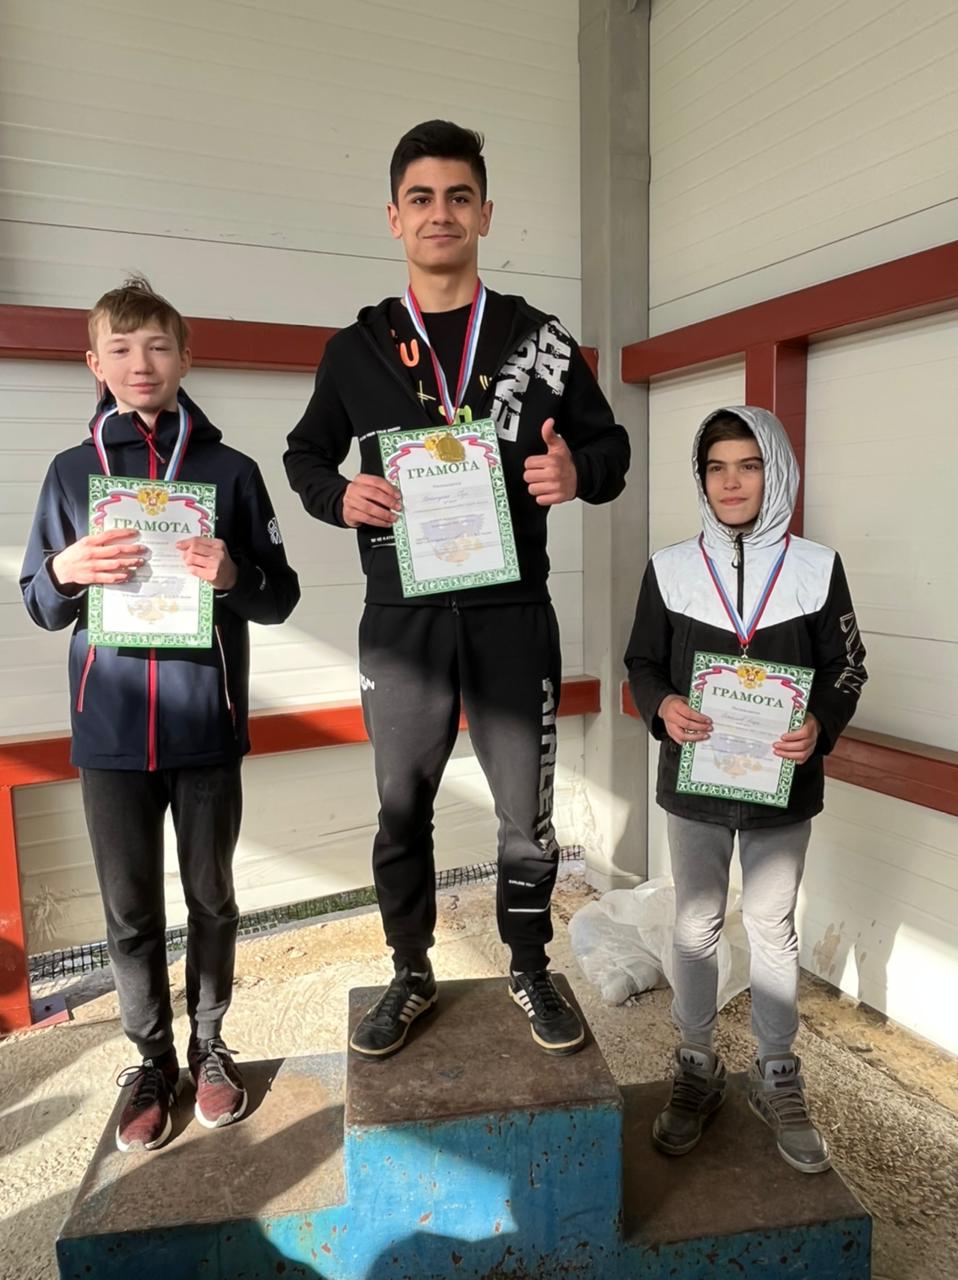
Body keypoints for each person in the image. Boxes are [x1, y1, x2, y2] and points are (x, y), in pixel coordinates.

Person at [285, 120, 630, 1060]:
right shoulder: (356, 348)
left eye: (459, 197)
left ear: (485, 214)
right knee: (402, 808)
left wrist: (577, 473)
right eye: (422, 198)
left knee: (526, 814)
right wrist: (339, 495)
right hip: (402, 623)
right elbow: (304, 454)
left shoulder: (541, 341)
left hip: (513, 614)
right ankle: (410, 969)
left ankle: (529, 964)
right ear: (394, 217)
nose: (441, 213)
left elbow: (610, 448)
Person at [21, 277, 300, 1151]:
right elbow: (38, 601)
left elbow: (281, 597)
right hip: (108, 733)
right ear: (94, 363)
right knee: (129, 910)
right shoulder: (70, 474)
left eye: (157, 346)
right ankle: (151, 1061)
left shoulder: (231, 471)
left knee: (212, 897)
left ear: (185, 358)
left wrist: (235, 575)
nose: (140, 363)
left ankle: (211, 1046)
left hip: (205, 726)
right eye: (121, 348)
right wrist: (65, 570)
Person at [625, 406, 866, 1173]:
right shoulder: (669, 567)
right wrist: (663, 706)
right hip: (695, 783)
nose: (731, 482)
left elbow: (848, 667)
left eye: (749, 465)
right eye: (716, 467)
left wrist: (821, 723)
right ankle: (696, 1065)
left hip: (782, 786)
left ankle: (776, 1074)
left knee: (771, 927)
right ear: (701, 479)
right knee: (696, 925)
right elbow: (641, 663)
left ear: (776, 472)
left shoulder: (817, 567)